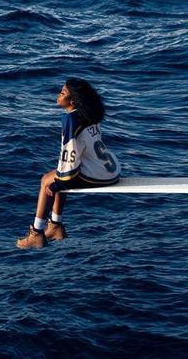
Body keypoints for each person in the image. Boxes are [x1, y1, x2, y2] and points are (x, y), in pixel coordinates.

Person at [16, 78, 121, 248]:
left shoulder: (71, 120)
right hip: (111, 171)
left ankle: (36, 233)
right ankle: (55, 225)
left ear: (72, 101)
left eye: (62, 93)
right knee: (58, 175)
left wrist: (58, 183)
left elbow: (70, 154)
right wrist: (60, 179)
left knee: (46, 181)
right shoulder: (90, 113)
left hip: (97, 176)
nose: (58, 95)